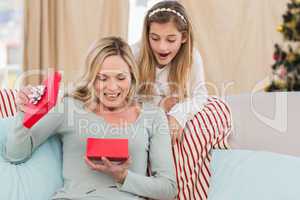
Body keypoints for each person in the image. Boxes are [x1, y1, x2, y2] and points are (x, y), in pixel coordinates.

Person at [4, 37, 177, 200]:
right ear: (92, 78)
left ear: (132, 77)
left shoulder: (152, 116)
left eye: (121, 77)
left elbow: (168, 188)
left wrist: (123, 177)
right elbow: (15, 155)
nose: (112, 87)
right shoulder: (69, 107)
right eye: (103, 78)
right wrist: (23, 113)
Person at [133, 1, 232, 200]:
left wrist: (178, 114)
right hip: (147, 116)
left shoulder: (192, 58)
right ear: (147, 36)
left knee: (215, 107)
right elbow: (126, 99)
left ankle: (187, 191)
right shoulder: (134, 54)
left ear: (184, 37)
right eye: (155, 38)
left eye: (171, 39)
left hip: (179, 113)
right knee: (163, 140)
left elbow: (200, 94)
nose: (162, 46)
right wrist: (160, 107)